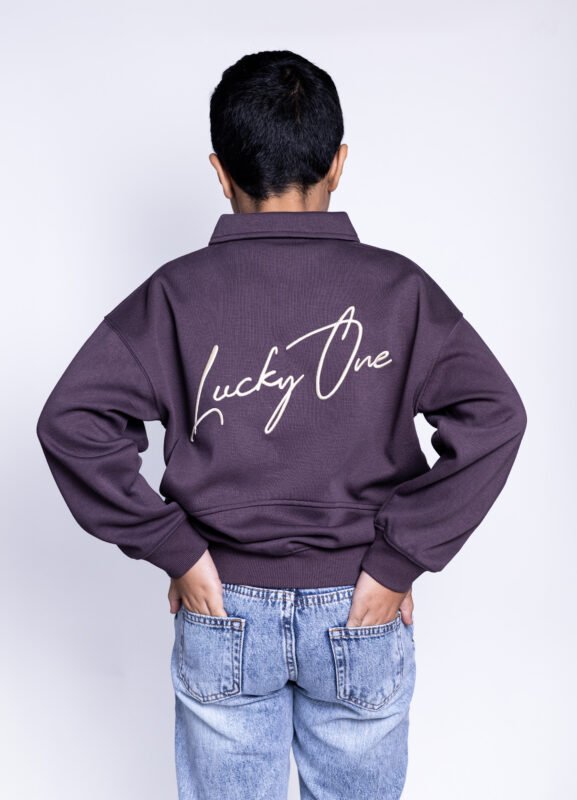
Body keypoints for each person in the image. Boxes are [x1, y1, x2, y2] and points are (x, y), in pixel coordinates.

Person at [36, 50, 528, 800]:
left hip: (223, 601)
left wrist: (178, 552)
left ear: (220, 171)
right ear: (338, 165)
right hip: (359, 605)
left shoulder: (175, 293)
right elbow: (496, 414)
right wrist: (396, 562)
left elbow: (72, 421)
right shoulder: (399, 290)